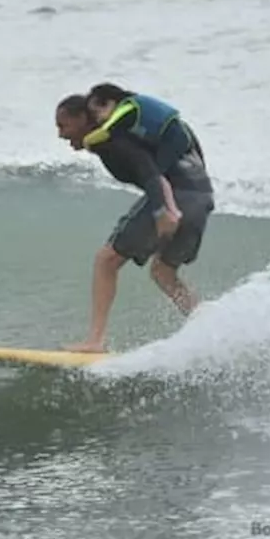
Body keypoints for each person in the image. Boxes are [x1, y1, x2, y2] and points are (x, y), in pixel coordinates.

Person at [55, 93, 215, 353]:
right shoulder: (140, 133)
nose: (61, 135)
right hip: (202, 194)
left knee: (106, 261)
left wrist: (164, 209)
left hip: (177, 194)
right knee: (163, 271)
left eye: (64, 126)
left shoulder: (114, 140)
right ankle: (211, 328)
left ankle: (95, 342)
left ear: (84, 118)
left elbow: (149, 172)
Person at [83, 82, 206, 176]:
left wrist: (87, 141)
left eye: (96, 113)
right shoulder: (134, 104)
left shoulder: (126, 109)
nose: (98, 120)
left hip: (174, 137)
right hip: (182, 132)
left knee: (157, 174)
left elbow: (106, 132)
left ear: (110, 102)